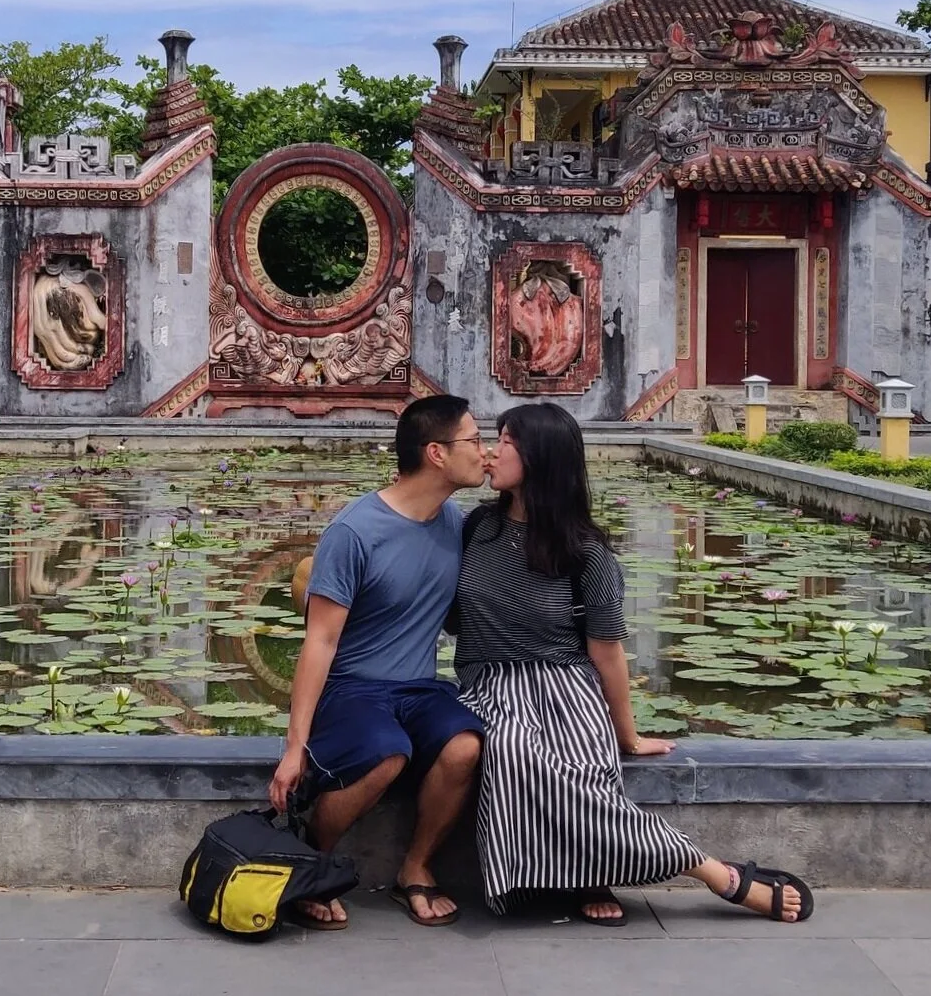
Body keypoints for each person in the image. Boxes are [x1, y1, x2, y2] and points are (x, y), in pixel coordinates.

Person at [455, 402, 810, 927]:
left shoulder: (584, 551)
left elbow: (606, 651)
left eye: (505, 440)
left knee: (581, 763)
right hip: (491, 684)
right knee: (513, 750)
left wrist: (629, 734)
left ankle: (601, 873)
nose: (492, 448)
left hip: (565, 685)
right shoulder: (477, 529)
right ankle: (711, 871)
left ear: (539, 456)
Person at [269, 394, 488, 930]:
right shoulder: (354, 531)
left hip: (417, 688)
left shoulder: (454, 522)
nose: (486, 452)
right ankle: (311, 861)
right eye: (477, 440)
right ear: (437, 453)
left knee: (465, 747)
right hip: (353, 689)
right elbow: (319, 641)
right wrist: (294, 746)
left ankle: (415, 867)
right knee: (385, 755)